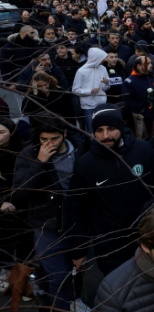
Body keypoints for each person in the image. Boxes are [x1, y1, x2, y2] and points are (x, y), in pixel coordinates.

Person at [67, 103, 154, 276]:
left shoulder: (143, 150)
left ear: (121, 127)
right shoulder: (85, 164)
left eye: (111, 128)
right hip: (110, 245)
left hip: (148, 235)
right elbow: (75, 209)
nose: (105, 136)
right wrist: (78, 249)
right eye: (99, 130)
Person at [12, 115, 81, 311]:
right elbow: (19, 194)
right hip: (46, 224)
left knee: (75, 269)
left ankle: (60, 297)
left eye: (54, 139)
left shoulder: (79, 151)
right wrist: (40, 163)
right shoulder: (29, 155)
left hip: (75, 221)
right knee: (58, 274)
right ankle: (59, 307)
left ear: (64, 134)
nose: (49, 144)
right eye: (44, 139)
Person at [123, 54, 154, 139]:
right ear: (139, 66)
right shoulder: (129, 82)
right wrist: (143, 111)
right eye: (148, 64)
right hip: (145, 119)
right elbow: (128, 101)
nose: (151, 65)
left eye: (151, 63)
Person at [72, 47, 110, 133]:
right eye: (102, 58)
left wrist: (107, 82)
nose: (104, 60)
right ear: (96, 58)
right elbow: (75, 90)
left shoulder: (103, 69)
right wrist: (90, 91)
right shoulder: (81, 71)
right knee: (92, 131)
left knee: (104, 130)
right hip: (88, 107)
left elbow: (106, 88)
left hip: (102, 104)